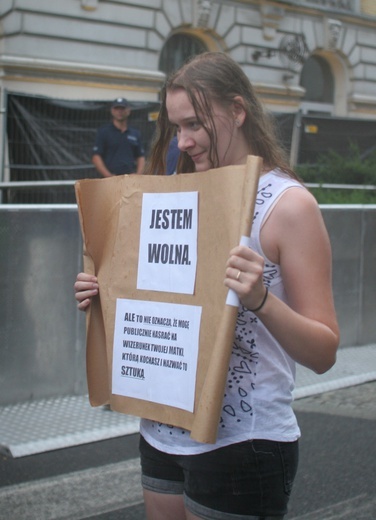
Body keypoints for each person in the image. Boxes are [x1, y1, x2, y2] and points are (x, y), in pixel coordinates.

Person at [75, 52, 339, 520]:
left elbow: (323, 352)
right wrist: (103, 294)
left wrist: (260, 300)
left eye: (195, 124)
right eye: (175, 127)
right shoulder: (174, 194)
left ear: (237, 111)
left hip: (243, 442)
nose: (183, 141)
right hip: (161, 427)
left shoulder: (289, 206)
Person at [92, 97, 145, 177]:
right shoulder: (104, 132)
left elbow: (141, 156)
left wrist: (138, 175)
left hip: (130, 179)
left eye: (122, 108)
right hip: (110, 180)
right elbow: (96, 157)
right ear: (112, 110)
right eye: (117, 108)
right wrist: (109, 176)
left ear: (128, 111)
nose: (119, 111)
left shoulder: (135, 133)